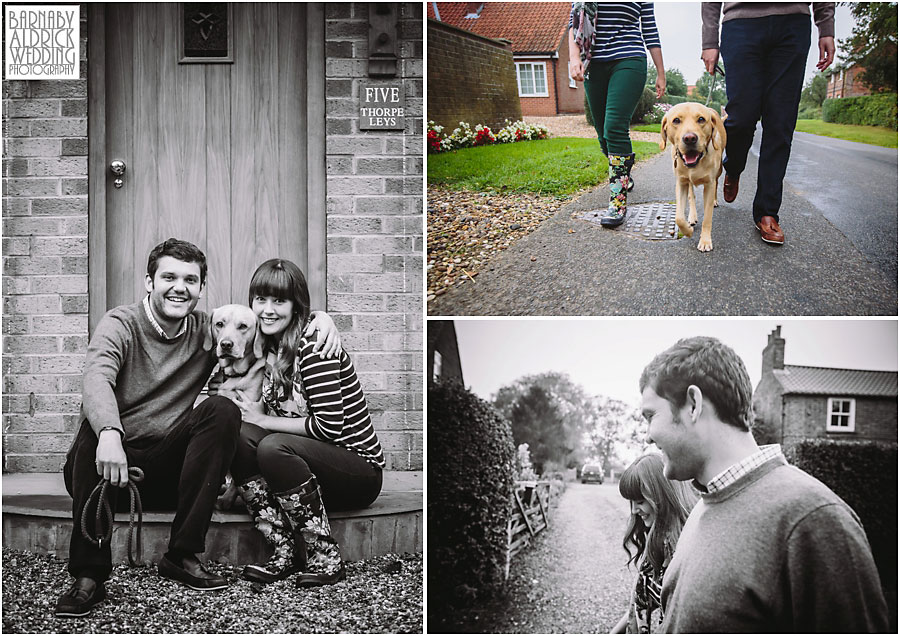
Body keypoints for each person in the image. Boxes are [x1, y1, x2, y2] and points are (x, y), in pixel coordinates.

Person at [55, 239, 341, 618]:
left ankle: (182, 555)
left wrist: (319, 317)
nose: (180, 287)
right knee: (92, 432)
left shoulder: (210, 330)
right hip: (106, 469)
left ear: (200, 289)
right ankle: (88, 575)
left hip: (162, 469)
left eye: (190, 280)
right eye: (169, 276)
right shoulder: (120, 323)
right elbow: (96, 378)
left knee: (221, 409)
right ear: (148, 282)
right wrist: (110, 432)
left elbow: (259, 325)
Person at [639, 336, 890, 632]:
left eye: (650, 416)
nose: (647, 435)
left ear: (693, 404)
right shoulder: (702, 508)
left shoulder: (813, 519)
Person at [228, 258, 385, 587]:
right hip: (306, 472)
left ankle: (325, 557)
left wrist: (264, 421)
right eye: (261, 299)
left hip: (357, 472)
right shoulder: (270, 345)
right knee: (240, 433)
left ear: (295, 305)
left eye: (279, 301)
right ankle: (283, 550)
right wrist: (253, 415)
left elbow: (329, 428)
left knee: (271, 446)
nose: (268, 310)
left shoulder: (315, 346)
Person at [700, 3, 836, 245]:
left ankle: (767, 212)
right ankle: (733, 167)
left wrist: (826, 27)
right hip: (741, 23)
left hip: (793, 23)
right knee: (740, 118)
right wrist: (709, 40)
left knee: (780, 122)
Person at [568, 2, 665, 227]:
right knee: (602, 134)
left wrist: (661, 72)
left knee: (614, 128)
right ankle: (623, 175)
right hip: (594, 62)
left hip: (629, 59)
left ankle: (617, 202)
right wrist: (574, 58)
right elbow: (574, 23)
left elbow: (650, 30)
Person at [611, 453, 697, 634]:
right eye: (632, 503)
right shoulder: (657, 538)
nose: (634, 511)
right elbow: (640, 604)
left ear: (662, 496)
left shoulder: (691, 546)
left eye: (640, 501)